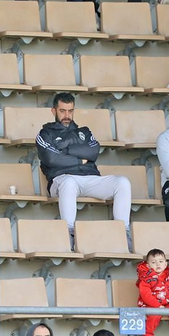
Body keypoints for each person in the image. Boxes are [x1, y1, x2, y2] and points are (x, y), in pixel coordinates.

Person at [37, 92, 131, 235]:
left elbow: (93, 152)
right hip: (61, 179)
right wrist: (80, 159)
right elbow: (52, 159)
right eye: (62, 111)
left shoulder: (85, 132)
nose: (67, 115)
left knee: (122, 182)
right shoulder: (45, 134)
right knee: (69, 182)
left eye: (70, 111)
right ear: (53, 111)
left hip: (90, 177)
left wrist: (64, 150)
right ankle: (69, 233)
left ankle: (123, 232)